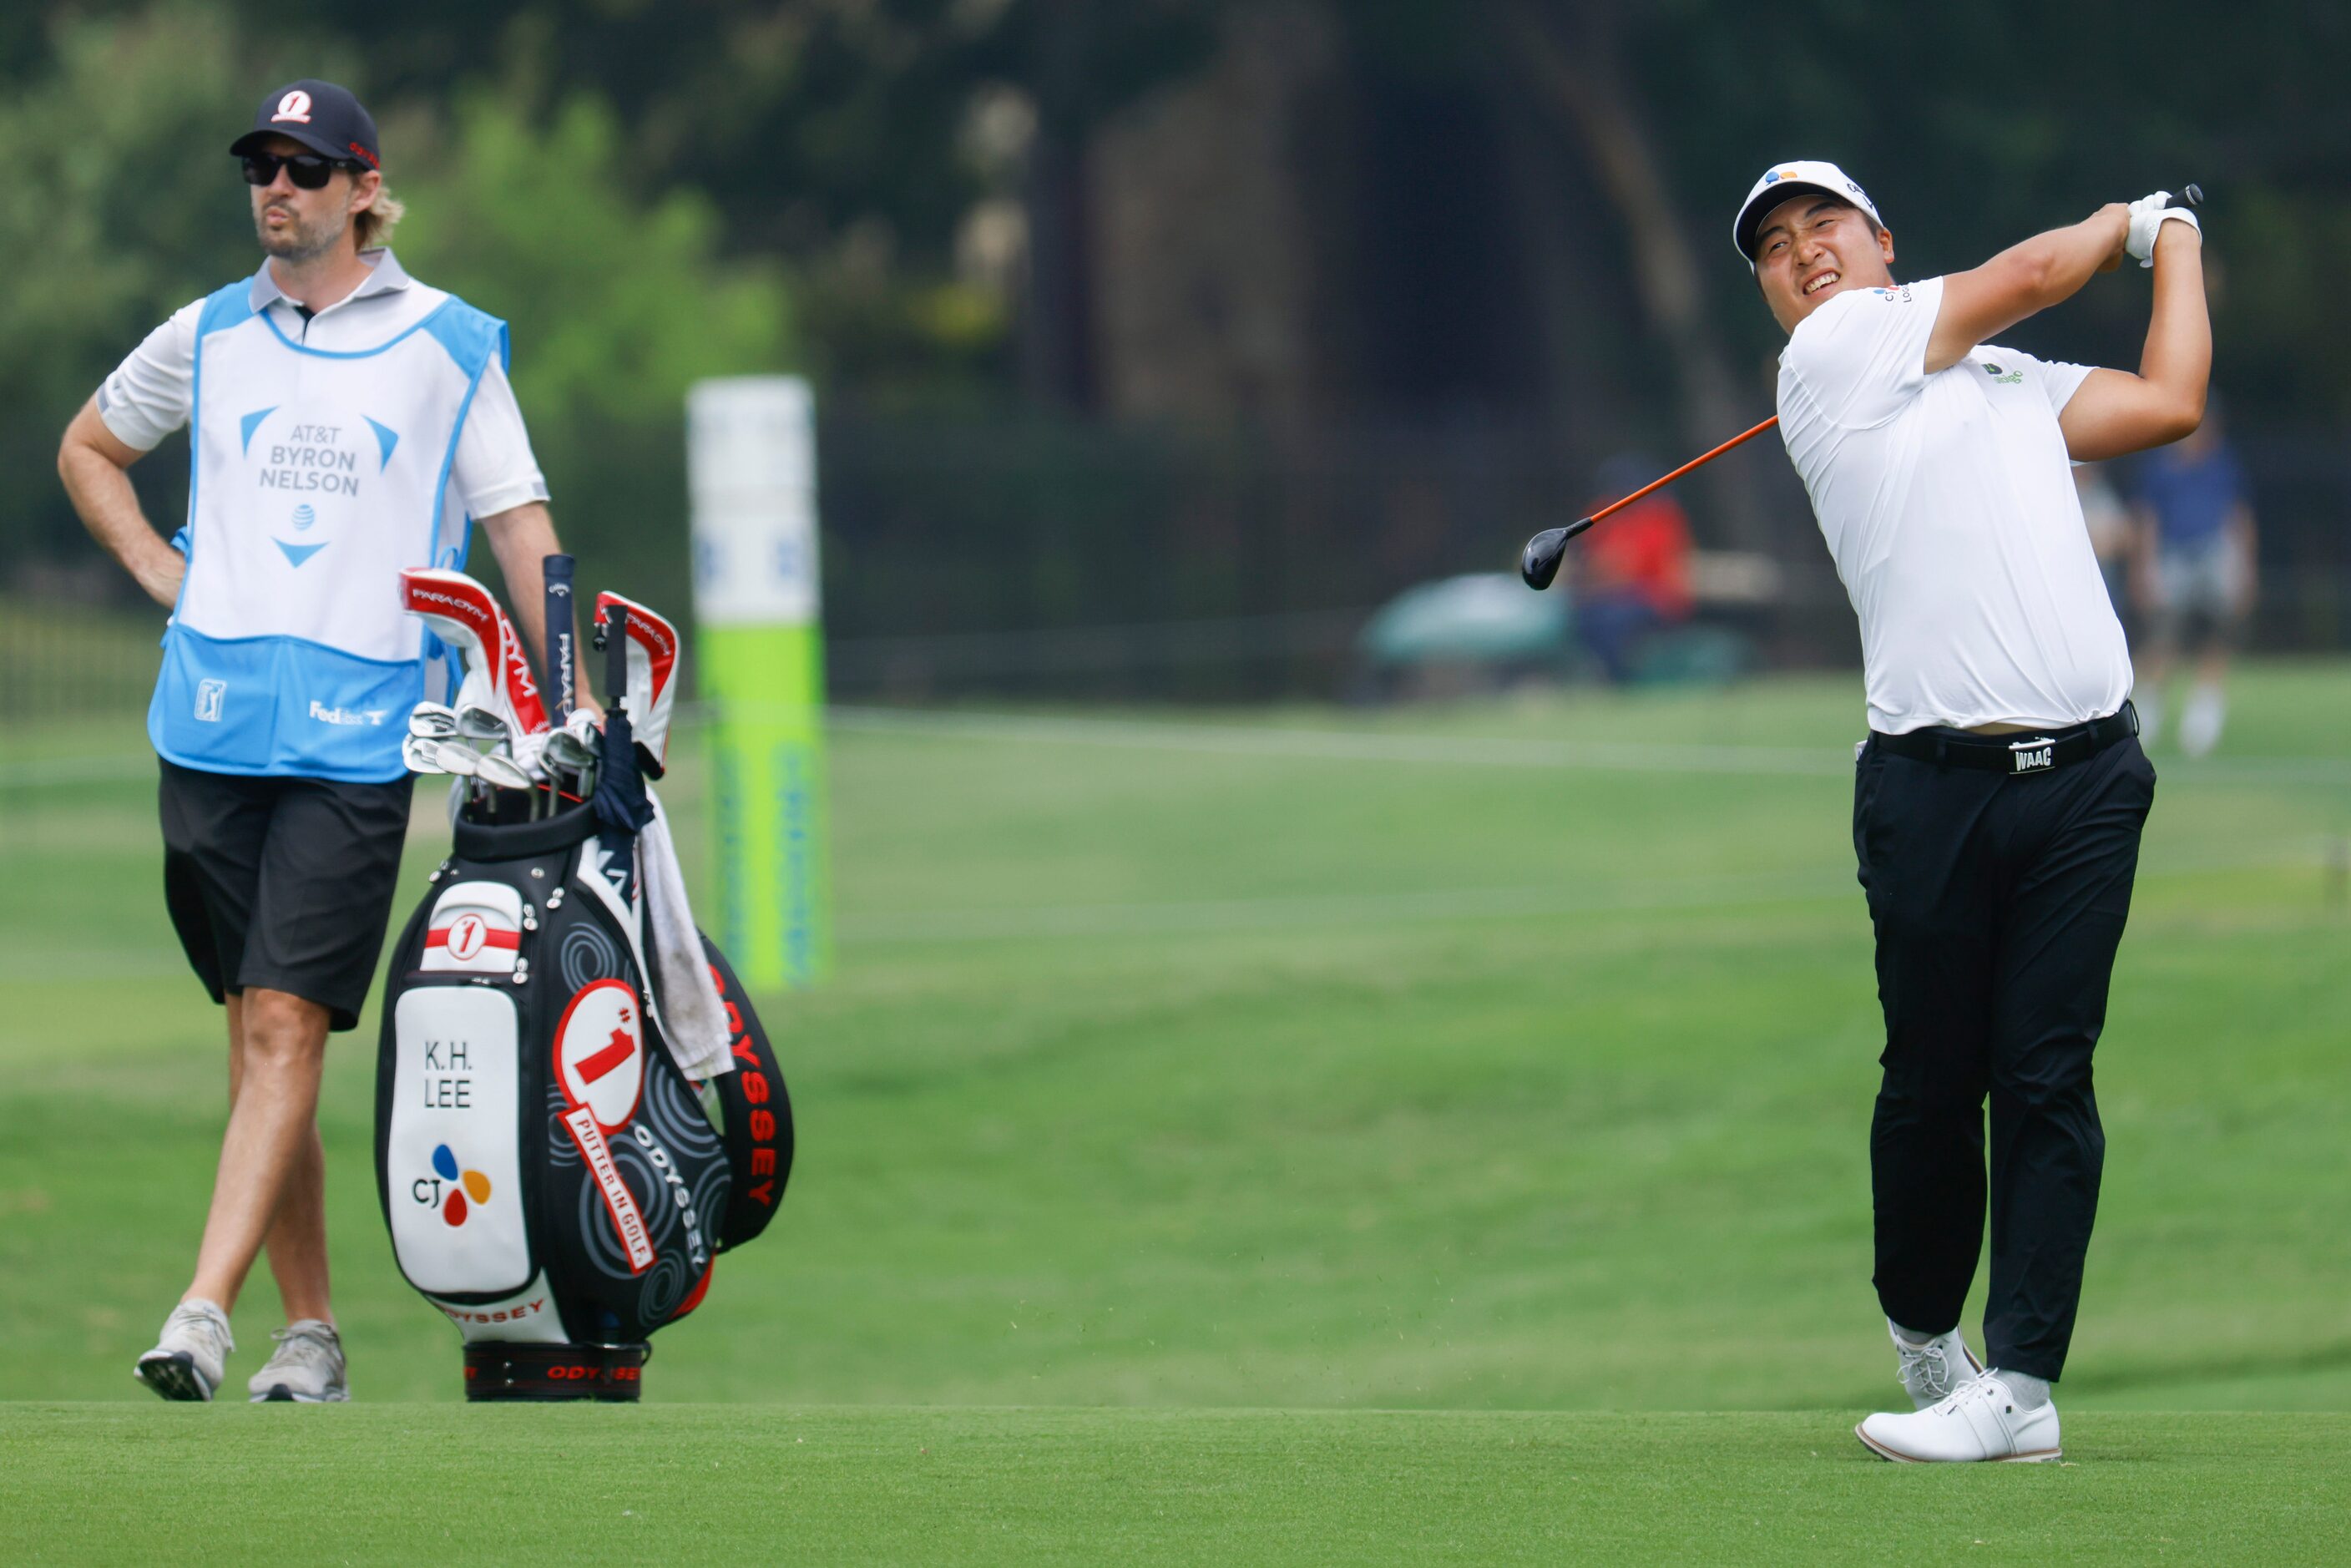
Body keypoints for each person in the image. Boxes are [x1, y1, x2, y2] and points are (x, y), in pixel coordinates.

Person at [56, 80, 589, 1402]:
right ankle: (314, 1334)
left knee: (289, 1022)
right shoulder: (208, 332)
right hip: (211, 727)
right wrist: (161, 576)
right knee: (257, 1034)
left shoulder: (447, 344)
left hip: (359, 739)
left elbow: (519, 524)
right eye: (261, 167)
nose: (276, 188)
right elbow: (89, 448)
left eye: (303, 168)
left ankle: (200, 1312)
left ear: (364, 187)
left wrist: (571, 697)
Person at [1732, 161, 2207, 1461]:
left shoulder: (2007, 383)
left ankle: (2024, 1389)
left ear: (1883, 237)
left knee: (2045, 1072)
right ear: (1777, 291)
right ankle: (1928, 1334)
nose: (1804, 251)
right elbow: (2030, 274)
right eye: (1775, 246)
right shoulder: (1833, 356)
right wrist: (2126, 223)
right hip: (1930, 790)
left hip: (2091, 779)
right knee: (1932, 1083)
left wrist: (2182, 252)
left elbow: (2169, 401)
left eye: (1824, 224)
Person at [2129, 405, 2257, 755]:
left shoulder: (2224, 462)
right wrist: (2143, 568)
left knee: (2218, 634)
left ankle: (2203, 716)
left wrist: (2245, 567)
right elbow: (2147, 519)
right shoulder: (2161, 464)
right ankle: (2147, 712)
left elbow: (2238, 514)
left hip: (2216, 553)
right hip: (2174, 556)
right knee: (2163, 637)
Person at [1571, 453, 1695, 683]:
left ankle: (1620, 679)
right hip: (1615, 596)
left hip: (1656, 598)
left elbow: (1632, 569)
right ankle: (1603, 676)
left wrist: (1600, 576)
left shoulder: (1659, 515)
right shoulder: (1604, 511)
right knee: (1584, 617)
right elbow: (1588, 556)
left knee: (1612, 620)